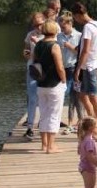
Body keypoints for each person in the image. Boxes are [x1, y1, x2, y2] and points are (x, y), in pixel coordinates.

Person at [72, 2, 97, 140]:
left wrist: (78, 69)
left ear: (78, 15)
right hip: (93, 65)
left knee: (94, 98)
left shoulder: (87, 27)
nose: (76, 21)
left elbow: (85, 50)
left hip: (88, 68)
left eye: (75, 18)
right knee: (83, 95)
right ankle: (92, 125)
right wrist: (96, 56)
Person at [34, 19, 67, 153]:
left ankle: (43, 144)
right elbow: (59, 67)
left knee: (43, 113)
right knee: (54, 114)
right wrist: (64, 79)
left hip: (40, 84)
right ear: (55, 31)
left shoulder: (38, 45)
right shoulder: (55, 46)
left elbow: (35, 62)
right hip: (54, 84)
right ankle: (51, 146)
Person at [22, 12, 46, 140]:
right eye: (36, 25)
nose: (38, 27)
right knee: (32, 99)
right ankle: (30, 127)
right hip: (33, 68)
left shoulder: (49, 35)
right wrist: (26, 53)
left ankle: (44, 125)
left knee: (43, 98)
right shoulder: (29, 35)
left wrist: (38, 43)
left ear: (45, 22)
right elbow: (26, 51)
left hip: (45, 70)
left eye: (40, 24)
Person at [58, 12, 82, 129]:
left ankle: (75, 121)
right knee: (71, 96)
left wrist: (69, 46)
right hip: (63, 68)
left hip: (74, 68)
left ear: (70, 23)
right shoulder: (59, 36)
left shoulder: (78, 35)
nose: (62, 29)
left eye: (64, 27)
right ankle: (74, 121)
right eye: (61, 27)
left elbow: (81, 52)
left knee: (74, 95)